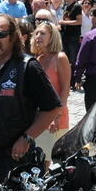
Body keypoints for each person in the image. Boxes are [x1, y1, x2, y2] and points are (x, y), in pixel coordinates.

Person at [0, 14, 62, 190]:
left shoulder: (28, 66)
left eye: (0, 35)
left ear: (13, 37)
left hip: (14, 155)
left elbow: (52, 107)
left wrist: (26, 138)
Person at [31, 21, 71, 159]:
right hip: (40, 116)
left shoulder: (60, 57)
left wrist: (57, 116)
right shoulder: (39, 58)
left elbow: (65, 91)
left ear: (52, 36)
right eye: (36, 33)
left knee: (52, 158)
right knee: (40, 158)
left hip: (56, 116)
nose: (38, 36)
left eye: (42, 33)